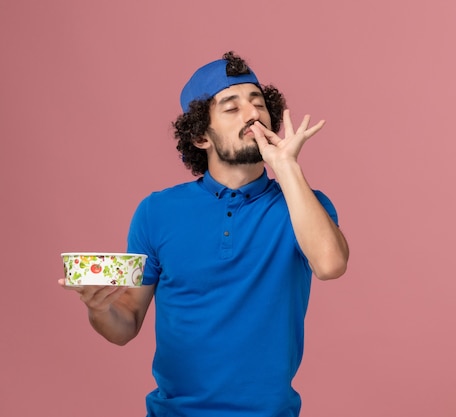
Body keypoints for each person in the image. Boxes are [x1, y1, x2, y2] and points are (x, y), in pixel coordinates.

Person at [59, 51, 349, 416]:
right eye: (232, 107)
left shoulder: (305, 204)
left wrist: (286, 166)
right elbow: (125, 324)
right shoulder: (156, 212)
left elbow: (330, 264)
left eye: (258, 103)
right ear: (200, 136)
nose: (252, 114)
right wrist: (99, 309)